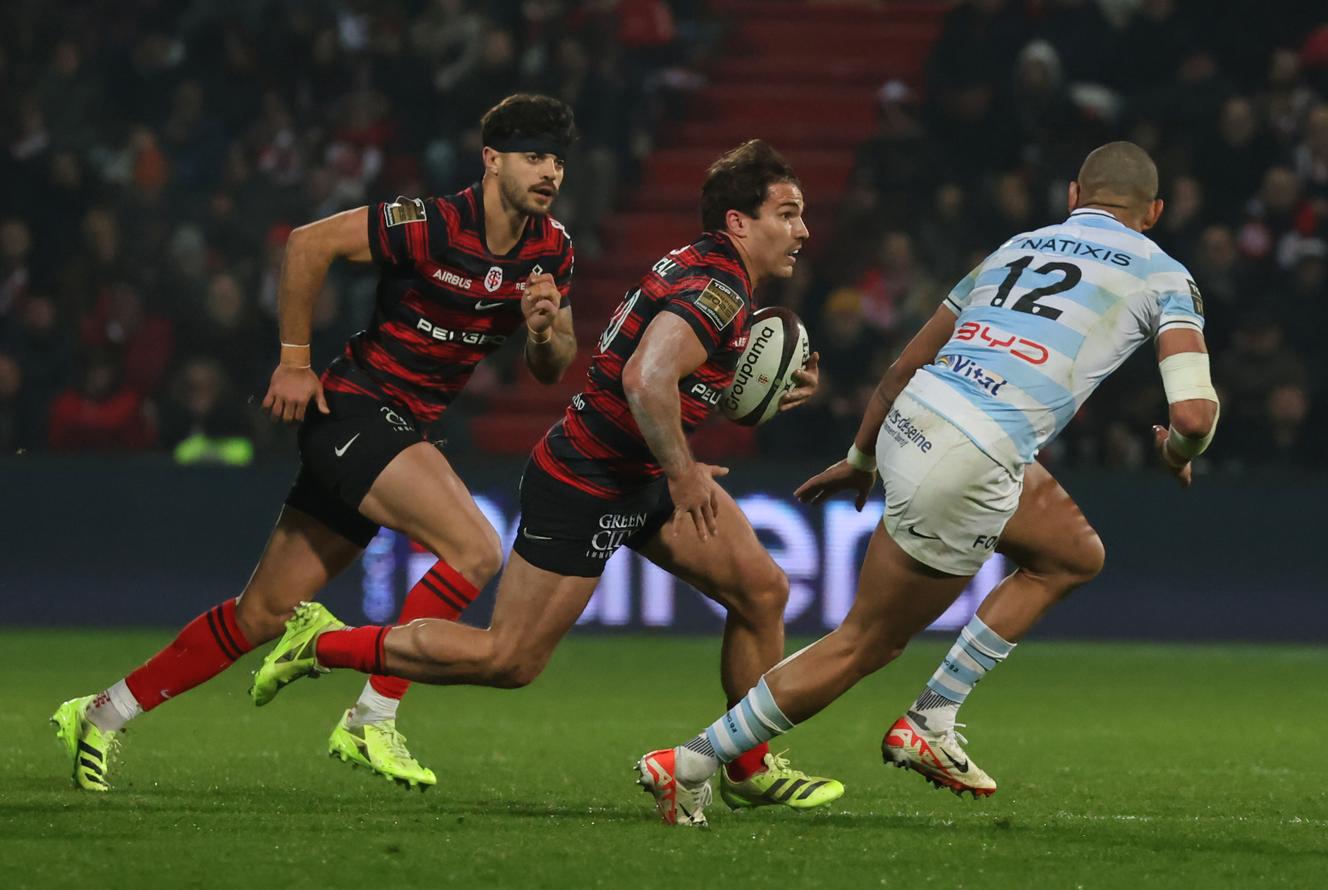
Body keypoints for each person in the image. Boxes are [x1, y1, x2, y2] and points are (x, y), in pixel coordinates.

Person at [250, 140, 843, 825]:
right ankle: (318, 643)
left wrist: (768, 392)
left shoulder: (711, 274)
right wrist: (683, 473)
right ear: (740, 223)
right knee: (509, 659)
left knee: (762, 589)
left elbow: (687, 375)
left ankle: (746, 766)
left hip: (637, 472)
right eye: (788, 213)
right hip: (586, 479)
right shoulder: (717, 289)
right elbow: (645, 379)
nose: (802, 230)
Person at [634, 141, 1220, 823]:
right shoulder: (1165, 275)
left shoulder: (1015, 248)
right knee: (866, 642)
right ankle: (691, 762)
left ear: (1072, 197)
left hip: (919, 418)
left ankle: (934, 720)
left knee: (1072, 554)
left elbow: (904, 364)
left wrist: (861, 456)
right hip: (974, 451)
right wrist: (1179, 451)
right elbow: (1194, 413)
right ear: (1152, 211)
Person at [52, 93, 579, 791]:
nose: (550, 173)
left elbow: (553, 363)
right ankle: (370, 718)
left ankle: (100, 713)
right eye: (533, 157)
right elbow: (309, 242)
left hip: (400, 429)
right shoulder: (431, 223)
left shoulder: (553, 251)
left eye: (557, 160)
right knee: (476, 549)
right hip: (356, 410)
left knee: (261, 614)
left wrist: (543, 330)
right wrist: (295, 361)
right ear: (491, 160)